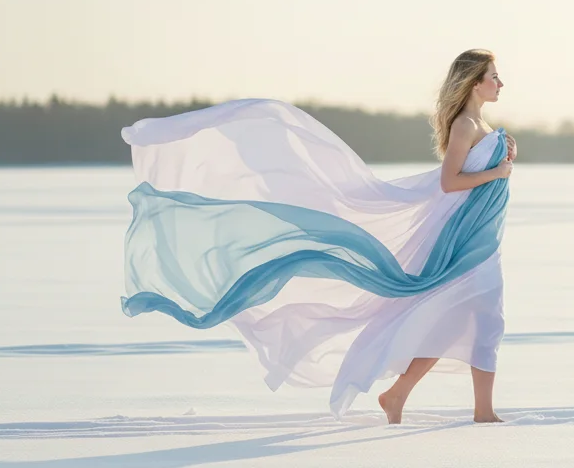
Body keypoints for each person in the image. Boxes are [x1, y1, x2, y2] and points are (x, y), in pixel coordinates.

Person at [119, 49, 515, 424]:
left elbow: (477, 172)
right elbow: (450, 183)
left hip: (481, 236)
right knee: (483, 319)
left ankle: (406, 397)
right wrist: (497, 171)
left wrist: (503, 151)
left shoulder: (482, 127)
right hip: (466, 242)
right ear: (473, 83)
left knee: (462, 321)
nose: (501, 83)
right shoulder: (465, 125)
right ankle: (477, 412)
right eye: (494, 77)